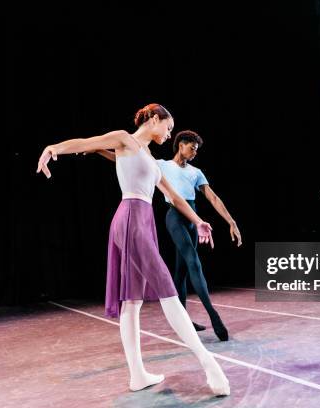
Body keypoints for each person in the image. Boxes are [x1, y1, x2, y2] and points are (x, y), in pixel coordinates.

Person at [36, 103, 230, 395]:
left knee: (133, 301)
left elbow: (174, 196)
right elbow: (87, 143)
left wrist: (199, 220)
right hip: (130, 220)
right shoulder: (125, 139)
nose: (169, 134)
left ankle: (138, 375)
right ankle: (209, 364)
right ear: (154, 119)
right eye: (168, 127)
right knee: (167, 290)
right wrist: (53, 148)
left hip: (142, 221)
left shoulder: (150, 156)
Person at [92, 130, 242, 341]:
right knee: (193, 263)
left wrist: (231, 221)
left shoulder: (196, 172)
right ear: (181, 144)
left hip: (192, 218)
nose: (194, 152)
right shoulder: (161, 164)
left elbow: (213, 198)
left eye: (197, 150)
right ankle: (213, 315)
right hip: (174, 217)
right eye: (192, 148)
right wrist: (97, 149)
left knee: (181, 271)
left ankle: (185, 321)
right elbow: (121, 158)